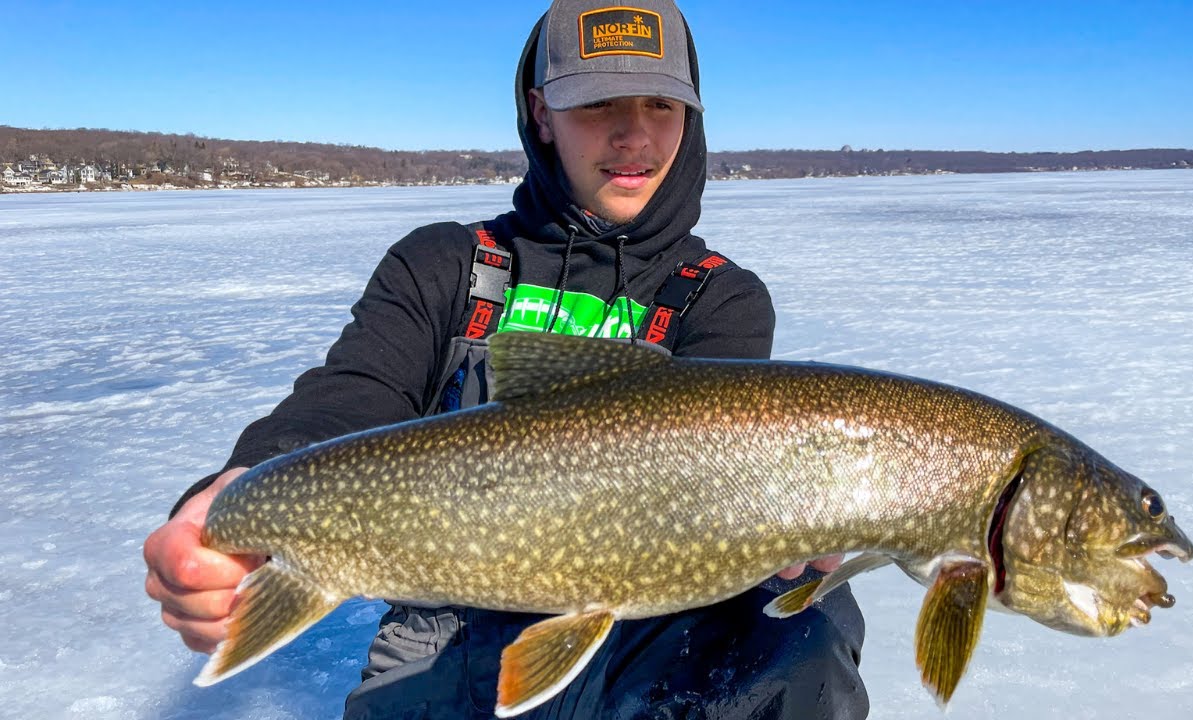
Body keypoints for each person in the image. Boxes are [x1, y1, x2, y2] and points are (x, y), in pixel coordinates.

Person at [143, 0, 872, 717]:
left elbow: (711, 463)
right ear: (541, 112)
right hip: (447, 625)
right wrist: (242, 487)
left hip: (646, 633)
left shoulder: (718, 298)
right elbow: (356, 393)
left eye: (661, 105)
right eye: (599, 104)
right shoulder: (445, 265)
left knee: (804, 623)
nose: (633, 135)